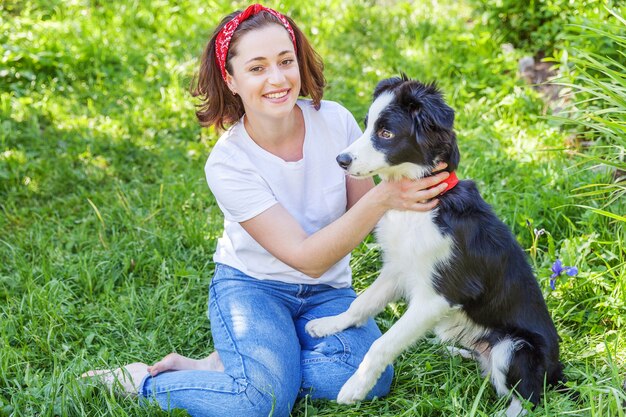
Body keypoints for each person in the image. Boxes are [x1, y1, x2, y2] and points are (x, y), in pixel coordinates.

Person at [82, 4, 450, 417]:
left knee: (370, 378)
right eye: (257, 68)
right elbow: (307, 259)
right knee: (263, 403)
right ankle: (148, 382)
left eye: (285, 61)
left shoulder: (335, 122)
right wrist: (385, 196)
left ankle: (246, 367)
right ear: (231, 80)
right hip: (253, 289)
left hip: (328, 292)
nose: (277, 79)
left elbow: (359, 217)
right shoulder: (229, 162)